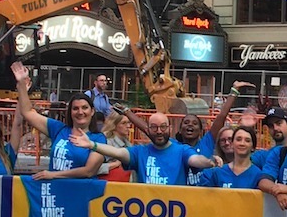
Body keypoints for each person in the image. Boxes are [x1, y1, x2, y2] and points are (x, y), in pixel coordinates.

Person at [74, 110, 220, 186]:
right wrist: (92, 145)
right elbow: (117, 152)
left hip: (176, 215)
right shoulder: (140, 152)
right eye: (154, 127)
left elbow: (196, 160)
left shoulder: (181, 150)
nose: (159, 131)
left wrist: (208, 162)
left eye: (163, 127)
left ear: (169, 128)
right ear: (148, 130)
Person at [12, 62, 105, 180]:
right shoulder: (59, 129)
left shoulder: (99, 138)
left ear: (92, 111)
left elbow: (89, 171)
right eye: (75, 108)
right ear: (70, 112)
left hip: (82, 194)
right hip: (55, 192)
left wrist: (53, 175)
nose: (80, 112)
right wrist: (21, 84)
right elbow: (27, 112)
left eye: (84, 108)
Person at [100, 112, 134, 181]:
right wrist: (115, 164)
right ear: (114, 125)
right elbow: (94, 169)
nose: (128, 126)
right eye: (124, 123)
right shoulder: (106, 142)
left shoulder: (128, 144)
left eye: (129, 122)